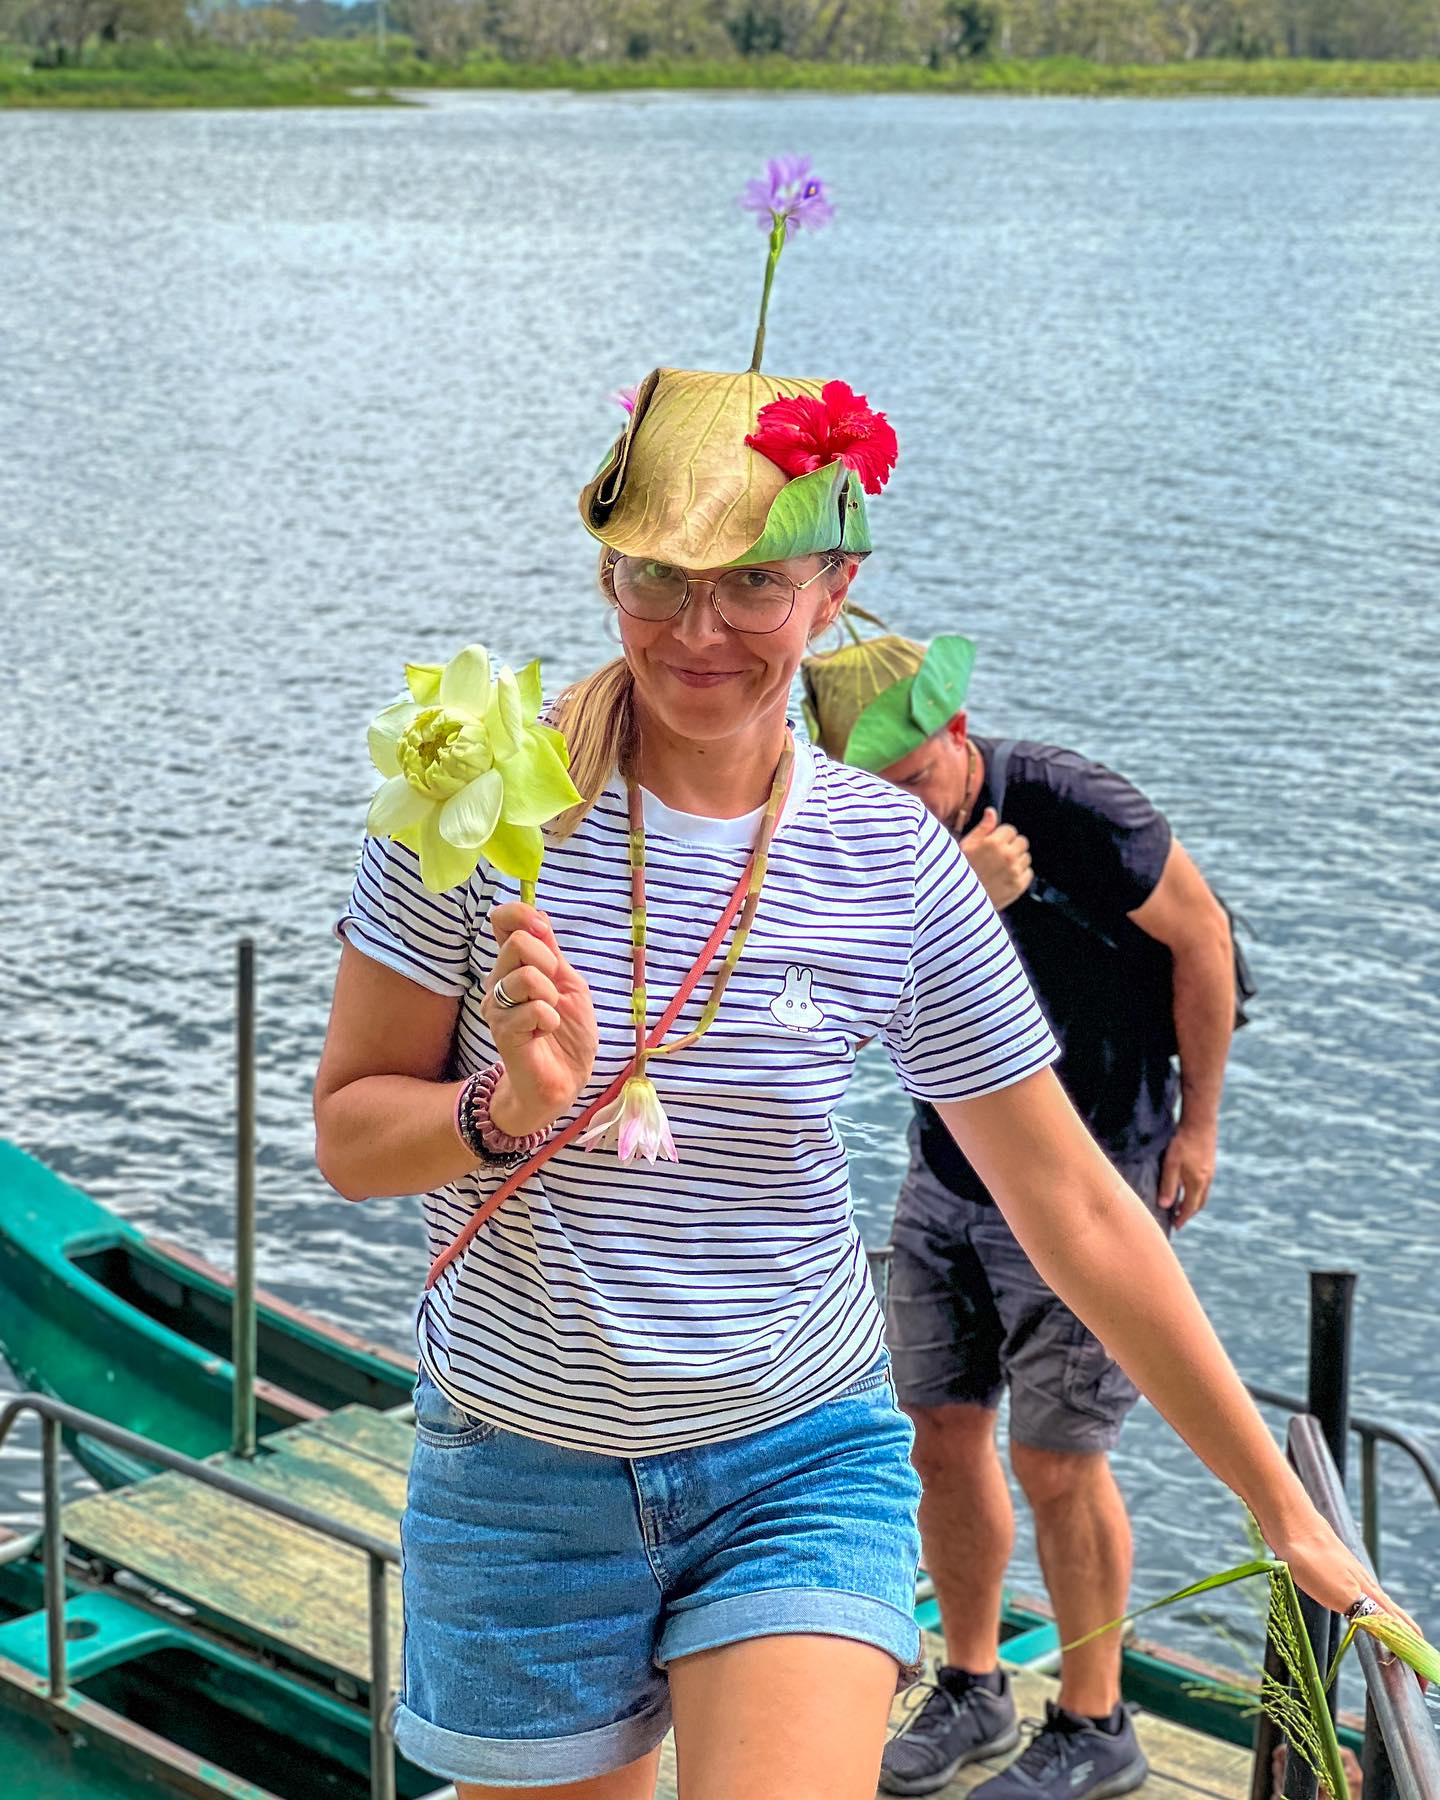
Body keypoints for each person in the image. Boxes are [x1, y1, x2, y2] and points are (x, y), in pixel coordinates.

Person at [313, 173, 1402, 1800]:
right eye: (658, 576)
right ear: (605, 574)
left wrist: (1282, 1504)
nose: (701, 629)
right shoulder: (476, 804)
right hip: (526, 1474)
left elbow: (1075, 1203)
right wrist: (501, 1106)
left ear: (834, 593)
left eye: (755, 583)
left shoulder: (890, 864)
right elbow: (350, 1136)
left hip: (795, 1458)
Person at [802, 633, 1238, 1798]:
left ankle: (1096, 1723)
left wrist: (1197, 1127)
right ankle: (973, 1685)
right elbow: (843, 1005)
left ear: (958, 735)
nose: (897, 811)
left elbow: (1204, 938)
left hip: (1094, 1175)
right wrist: (961, 897)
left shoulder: (1076, 806)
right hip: (948, 1169)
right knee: (939, 1433)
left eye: (912, 783)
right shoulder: (863, 839)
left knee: (1059, 1458)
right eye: (872, 794)